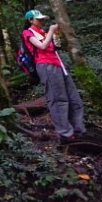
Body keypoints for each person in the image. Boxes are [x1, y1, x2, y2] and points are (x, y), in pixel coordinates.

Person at [22, 9, 86, 143]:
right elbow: (42, 46)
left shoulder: (44, 32)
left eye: (42, 19)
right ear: (30, 21)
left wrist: (55, 35)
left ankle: (78, 129)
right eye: (38, 19)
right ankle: (65, 133)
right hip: (45, 66)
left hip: (59, 65)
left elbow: (56, 47)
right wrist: (51, 31)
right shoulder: (28, 32)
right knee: (58, 99)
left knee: (74, 98)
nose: (41, 21)